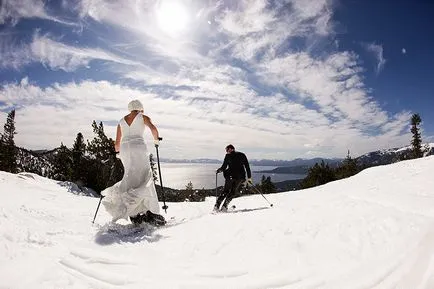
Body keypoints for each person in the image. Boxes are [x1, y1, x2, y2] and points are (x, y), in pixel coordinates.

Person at [101, 99, 166, 226]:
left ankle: (134, 213)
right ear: (140, 108)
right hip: (138, 147)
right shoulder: (142, 117)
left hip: (125, 150)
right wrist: (156, 141)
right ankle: (151, 211)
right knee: (145, 176)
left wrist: (118, 154)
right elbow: (153, 129)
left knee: (130, 177)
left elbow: (117, 144)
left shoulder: (121, 121)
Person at [214, 144, 252, 211]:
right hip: (239, 177)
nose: (227, 152)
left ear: (232, 149)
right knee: (232, 192)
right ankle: (224, 206)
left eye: (227, 150)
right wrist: (249, 177)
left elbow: (224, 167)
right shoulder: (242, 155)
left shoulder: (229, 156)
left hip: (230, 176)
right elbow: (247, 167)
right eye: (226, 150)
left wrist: (219, 170)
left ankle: (217, 206)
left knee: (226, 191)